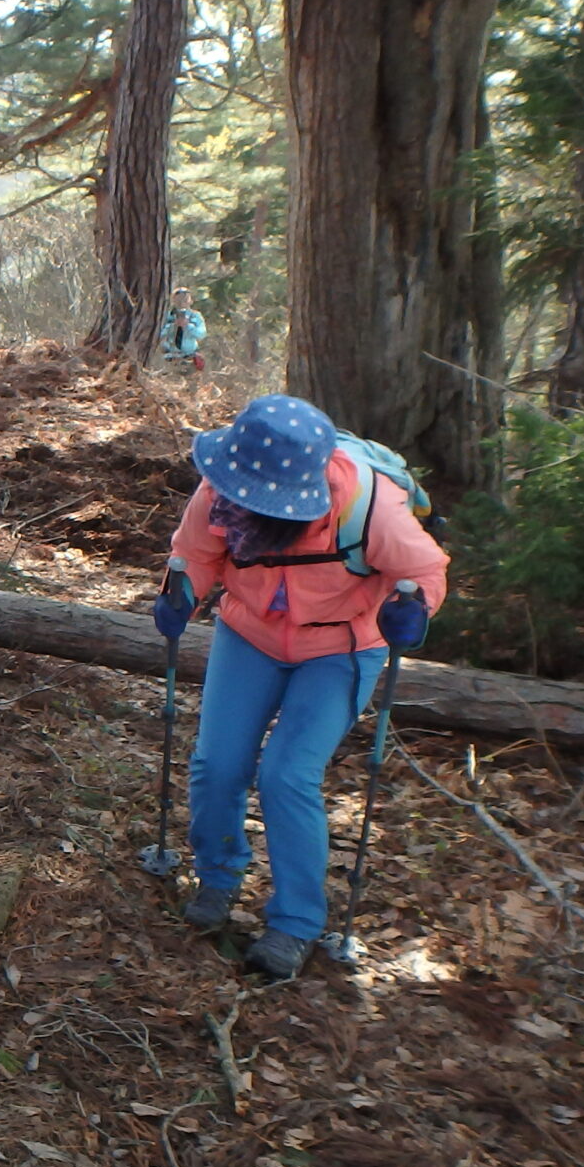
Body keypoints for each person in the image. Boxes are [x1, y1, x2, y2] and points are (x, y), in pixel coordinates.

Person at [155, 396, 449, 979]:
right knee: (217, 764)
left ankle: (295, 923)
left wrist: (413, 610)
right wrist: (181, 592)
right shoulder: (222, 488)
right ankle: (218, 877)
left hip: (342, 647)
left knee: (287, 775)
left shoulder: (369, 507)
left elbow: (424, 571)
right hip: (249, 633)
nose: (243, 503)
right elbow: (194, 554)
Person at [159, 288, 207, 367]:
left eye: (185, 299)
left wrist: (188, 326)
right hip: (170, 355)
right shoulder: (167, 316)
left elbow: (202, 334)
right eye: (179, 299)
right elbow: (158, 333)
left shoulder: (195, 316)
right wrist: (172, 326)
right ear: (173, 300)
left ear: (191, 301)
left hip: (190, 355)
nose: (181, 302)